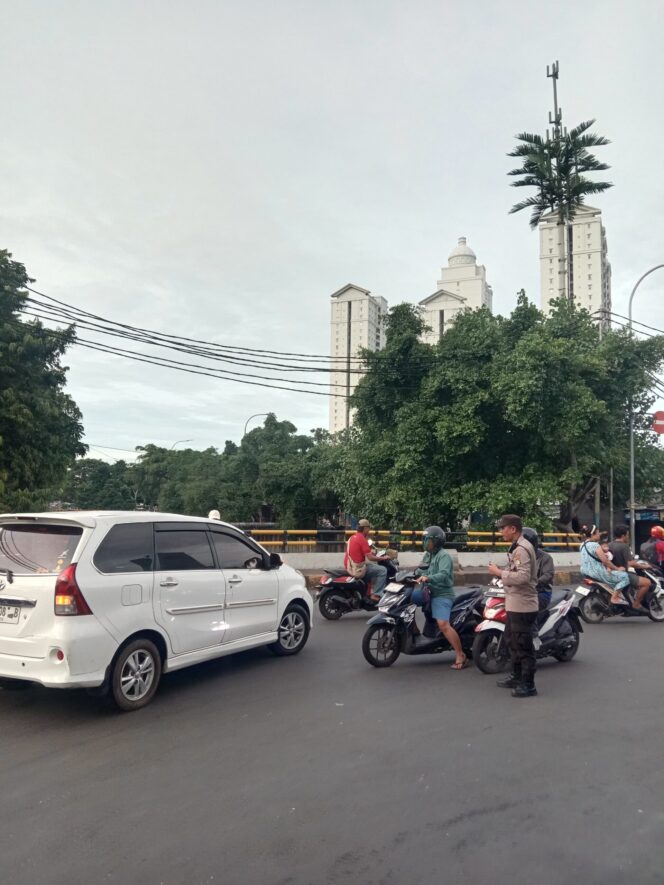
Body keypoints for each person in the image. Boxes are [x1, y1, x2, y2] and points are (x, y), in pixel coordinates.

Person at [488, 514, 539, 698]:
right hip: (514, 603)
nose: (501, 531)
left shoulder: (522, 549)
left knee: (523, 646)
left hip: (523, 605)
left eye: (503, 528)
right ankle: (517, 676)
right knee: (512, 642)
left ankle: (528, 684)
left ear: (513, 529)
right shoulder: (517, 547)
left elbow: (524, 577)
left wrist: (500, 573)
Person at [411, 526, 467, 670]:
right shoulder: (428, 555)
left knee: (443, 625)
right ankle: (414, 632)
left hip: (442, 594)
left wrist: (428, 578)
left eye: (427, 540)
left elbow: (443, 575)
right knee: (406, 599)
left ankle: (460, 654)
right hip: (427, 592)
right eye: (424, 539)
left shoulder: (444, 556)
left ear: (436, 541)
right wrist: (410, 574)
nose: (424, 542)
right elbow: (420, 569)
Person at [579, 525, 630, 605]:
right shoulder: (595, 545)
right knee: (625, 577)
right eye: (598, 533)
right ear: (593, 535)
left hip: (585, 572)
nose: (599, 535)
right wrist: (616, 568)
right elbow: (605, 561)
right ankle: (615, 597)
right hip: (597, 572)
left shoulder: (582, 545)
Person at [608, 524, 651, 610]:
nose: (628, 537)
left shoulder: (609, 544)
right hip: (621, 574)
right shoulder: (624, 546)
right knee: (647, 582)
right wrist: (645, 566)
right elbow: (631, 563)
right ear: (623, 535)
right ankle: (636, 604)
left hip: (611, 573)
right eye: (627, 535)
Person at [344, 518, 387, 601]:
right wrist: (383, 558)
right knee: (382, 570)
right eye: (368, 528)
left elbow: (360, 551)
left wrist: (372, 553)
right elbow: (370, 558)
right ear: (365, 528)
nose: (369, 530)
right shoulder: (362, 539)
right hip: (357, 569)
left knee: (371, 567)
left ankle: (367, 592)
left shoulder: (353, 537)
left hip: (349, 565)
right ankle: (376, 594)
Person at [522, 527, 554, 611]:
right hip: (523, 592)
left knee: (528, 612)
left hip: (541, 592)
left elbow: (548, 575)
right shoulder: (520, 556)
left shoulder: (545, 557)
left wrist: (534, 583)